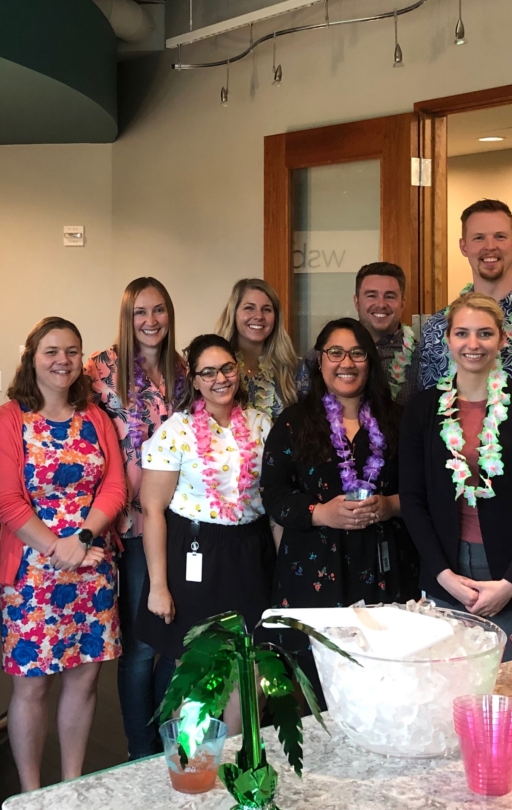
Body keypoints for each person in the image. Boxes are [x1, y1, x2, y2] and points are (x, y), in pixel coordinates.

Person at [0, 317, 125, 791]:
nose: (62, 360)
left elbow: (115, 486)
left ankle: (71, 786)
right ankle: (31, 792)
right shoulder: (7, 420)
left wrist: (81, 540)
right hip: (30, 574)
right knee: (33, 685)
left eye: (71, 351)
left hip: (93, 567)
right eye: (51, 351)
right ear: (32, 357)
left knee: (84, 681)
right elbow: (3, 500)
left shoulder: (96, 417)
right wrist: (57, 548)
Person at [399, 290, 512, 656]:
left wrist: (510, 583)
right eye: (462, 333)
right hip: (446, 577)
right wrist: (443, 576)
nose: (473, 344)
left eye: (485, 333)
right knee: (450, 694)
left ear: (502, 339)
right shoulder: (422, 410)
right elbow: (412, 499)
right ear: (448, 339)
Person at [261, 319, 419, 684]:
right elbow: (273, 492)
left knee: (381, 680)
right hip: (313, 572)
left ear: (370, 361)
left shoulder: (400, 421)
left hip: (384, 569)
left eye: (356, 353)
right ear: (320, 361)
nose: (345, 362)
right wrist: (320, 513)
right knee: (314, 683)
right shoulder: (293, 423)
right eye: (335, 352)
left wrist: (390, 505)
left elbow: (423, 491)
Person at [134, 334, 274, 732]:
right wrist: (159, 585)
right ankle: (192, 766)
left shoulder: (262, 424)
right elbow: (153, 509)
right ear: (194, 380)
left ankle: (238, 761)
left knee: (248, 669)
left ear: (239, 370)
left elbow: (276, 499)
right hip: (193, 552)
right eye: (207, 372)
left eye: (227, 368)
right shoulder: (175, 432)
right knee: (195, 670)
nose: (219, 379)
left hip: (249, 551)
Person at [84, 277, 188, 760]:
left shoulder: (183, 369)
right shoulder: (101, 371)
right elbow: (87, 441)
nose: (150, 321)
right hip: (132, 523)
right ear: (127, 318)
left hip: (181, 519)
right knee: (143, 642)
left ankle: (168, 742)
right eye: (140, 312)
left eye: (159, 310)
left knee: (174, 638)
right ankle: (140, 752)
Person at [417, 199, 512, 388]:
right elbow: (427, 407)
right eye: (479, 238)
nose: (490, 246)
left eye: (500, 236)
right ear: (464, 247)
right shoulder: (437, 328)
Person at [215, 278, 298, 420]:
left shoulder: (290, 370)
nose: (259, 316)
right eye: (249, 308)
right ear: (233, 313)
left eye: (267, 310)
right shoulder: (213, 368)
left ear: (276, 318)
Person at [353, 262, 418, 404]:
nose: (381, 304)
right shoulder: (329, 356)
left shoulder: (423, 360)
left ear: (402, 303)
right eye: (371, 296)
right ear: (356, 302)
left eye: (390, 296)